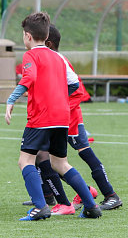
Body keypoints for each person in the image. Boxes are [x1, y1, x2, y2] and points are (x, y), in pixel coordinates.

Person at [5, 11, 101, 221]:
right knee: (60, 163)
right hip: (62, 117)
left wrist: (11, 100)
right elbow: (74, 83)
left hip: (41, 117)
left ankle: (40, 207)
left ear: (28, 36)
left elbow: (29, 77)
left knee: (25, 160)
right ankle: (91, 206)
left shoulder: (31, 55)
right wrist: (58, 96)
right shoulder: (59, 57)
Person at [29, 25, 122, 215]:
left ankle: (110, 195)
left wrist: (59, 108)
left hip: (68, 119)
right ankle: (52, 196)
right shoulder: (46, 60)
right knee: (43, 156)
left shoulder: (58, 60)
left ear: (47, 42)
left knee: (80, 154)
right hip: (56, 118)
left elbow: (78, 91)